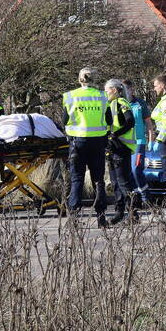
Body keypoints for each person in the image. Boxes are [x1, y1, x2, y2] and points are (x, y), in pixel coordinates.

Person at [63, 67, 110, 227]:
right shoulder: (103, 97)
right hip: (98, 142)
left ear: (79, 79)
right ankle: (101, 216)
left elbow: (64, 120)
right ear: (94, 79)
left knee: (77, 179)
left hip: (78, 142)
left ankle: (73, 217)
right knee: (98, 180)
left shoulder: (71, 97)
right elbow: (109, 120)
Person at [104, 79, 139, 224]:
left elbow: (130, 121)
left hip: (121, 146)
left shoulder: (122, 102)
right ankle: (119, 212)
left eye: (107, 90)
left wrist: (115, 134)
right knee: (114, 182)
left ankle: (133, 214)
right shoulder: (108, 104)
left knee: (123, 181)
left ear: (114, 90)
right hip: (111, 147)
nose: (105, 92)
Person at [123, 79, 153, 205]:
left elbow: (149, 125)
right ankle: (136, 199)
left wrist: (151, 141)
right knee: (128, 172)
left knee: (136, 170)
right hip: (124, 143)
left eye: (126, 89)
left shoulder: (140, 104)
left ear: (131, 90)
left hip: (138, 142)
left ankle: (146, 196)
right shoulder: (120, 104)